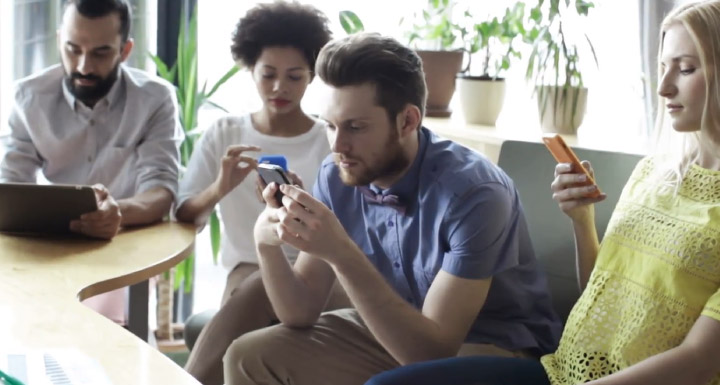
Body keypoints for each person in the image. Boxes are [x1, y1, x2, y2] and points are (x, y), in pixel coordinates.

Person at [364, 1, 720, 385]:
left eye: (685, 68)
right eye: (663, 67)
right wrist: (582, 220)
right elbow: (599, 297)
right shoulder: (654, 172)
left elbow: (698, 361)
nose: (664, 86)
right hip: (562, 372)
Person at [223, 32, 562, 385]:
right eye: (330, 125)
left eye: (355, 127)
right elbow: (300, 311)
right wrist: (267, 244)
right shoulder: (338, 174)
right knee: (249, 357)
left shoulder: (475, 193)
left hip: (492, 346)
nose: (338, 145)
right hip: (399, 325)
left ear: (408, 121)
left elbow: (431, 353)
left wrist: (341, 252)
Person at [175, 3, 350, 384]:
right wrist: (220, 188)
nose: (279, 88)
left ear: (311, 78)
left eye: (294, 76)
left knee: (265, 301)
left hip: (322, 278)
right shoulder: (225, 133)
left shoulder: (329, 139)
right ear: (250, 70)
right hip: (248, 271)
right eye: (268, 74)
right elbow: (186, 215)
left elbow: (351, 226)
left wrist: (301, 208)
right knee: (257, 284)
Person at [0, 0, 181, 324]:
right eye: (72, 49)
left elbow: (161, 188)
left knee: (115, 340)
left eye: (100, 53)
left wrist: (119, 213)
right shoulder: (27, 98)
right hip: (51, 244)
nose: (83, 66)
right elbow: (11, 188)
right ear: (59, 41)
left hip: (127, 240)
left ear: (125, 51)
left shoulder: (155, 99)